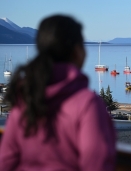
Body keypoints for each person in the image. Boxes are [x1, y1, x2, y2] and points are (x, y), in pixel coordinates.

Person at [0, 15, 116, 170]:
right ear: (76, 51)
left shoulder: (25, 99)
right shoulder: (87, 104)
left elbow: (5, 161)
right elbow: (97, 165)